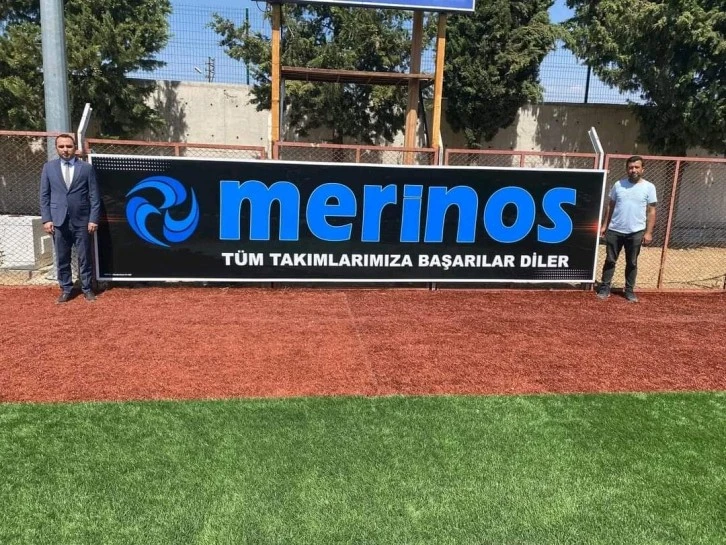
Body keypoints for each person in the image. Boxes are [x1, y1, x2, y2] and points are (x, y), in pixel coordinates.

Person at [39, 133, 101, 303]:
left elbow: (94, 196)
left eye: (68, 146)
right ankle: (66, 288)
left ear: (75, 147)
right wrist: (47, 219)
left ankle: (87, 288)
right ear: (56, 148)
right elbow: (44, 195)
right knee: (62, 257)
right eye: (61, 146)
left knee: (85, 257)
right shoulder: (49, 168)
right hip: (58, 221)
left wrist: (93, 219)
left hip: (82, 221)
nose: (65, 149)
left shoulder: (86, 168)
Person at [597, 155, 657, 303]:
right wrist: (605, 225)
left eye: (637, 167)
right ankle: (605, 288)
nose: (633, 170)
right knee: (610, 260)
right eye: (630, 167)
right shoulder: (618, 185)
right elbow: (610, 206)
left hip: (636, 232)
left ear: (642, 169)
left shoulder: (649, 187)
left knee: (632, 262)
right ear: (626, 169)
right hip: (615, 230)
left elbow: (651, 211)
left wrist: (648, 232)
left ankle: (629, 290)